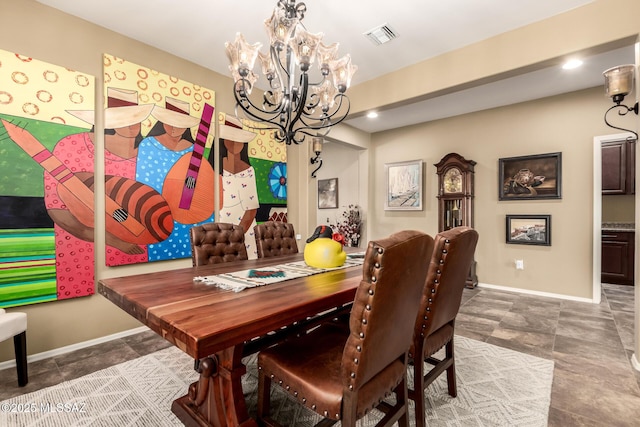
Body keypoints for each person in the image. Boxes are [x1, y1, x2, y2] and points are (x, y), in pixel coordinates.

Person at [46, 87, 153, 296]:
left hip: (138, 247)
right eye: (122, 118)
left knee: (142, 296)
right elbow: (57, 207)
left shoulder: (148, 153)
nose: (131, 124)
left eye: (136, 118)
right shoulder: (71, 145)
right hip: (81, 250)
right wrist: (112, 240)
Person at [136, 97, 216, 261]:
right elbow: (143, 182)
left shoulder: (195, 150)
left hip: (192, 214)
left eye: (179, 123)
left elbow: (202, 184)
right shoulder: (148, 145)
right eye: (169, 122)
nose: (173, 128)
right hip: (159, 213)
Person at [219, 115, 259, 259]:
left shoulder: (249, 170)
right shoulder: (215, 168)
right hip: (220, 227)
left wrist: (238, 233)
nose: (235, 143)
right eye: (231, 138)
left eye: (239, 139)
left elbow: (252, 208)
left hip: (245, 228)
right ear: (223, 141)